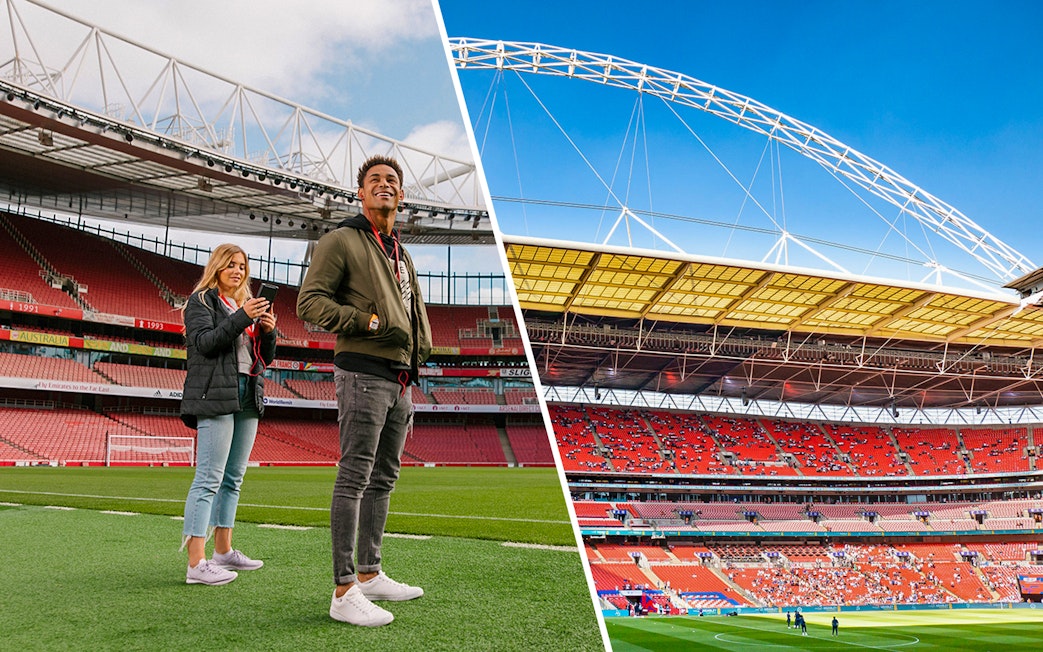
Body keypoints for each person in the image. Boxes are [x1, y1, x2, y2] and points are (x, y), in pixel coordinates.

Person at [298, 155, 432, 627]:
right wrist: (367, 322)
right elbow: (309, 301)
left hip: (400, 377)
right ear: (360, 193)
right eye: (374, 180)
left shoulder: (401, 250)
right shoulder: (341, 240)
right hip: (362, 372)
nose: (384, 185)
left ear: (401, 195)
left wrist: (417, 353)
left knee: (384, 477)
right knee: (355, 475)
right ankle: (343, 588)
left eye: (392, 181)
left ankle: (371, 572)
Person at [179, 243, 277, 585]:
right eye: (231, 265)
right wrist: (242, 317)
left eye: (242, 266)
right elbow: (205, 343)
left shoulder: (243, 306)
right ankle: (196, 563)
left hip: (248, 392)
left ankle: (223, 551)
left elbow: (264, 357)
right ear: (217, 268)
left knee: (233, 478)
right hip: (216, 394)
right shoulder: (201, 301)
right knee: (209, 478)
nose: (238, 271)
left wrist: (268, 331)